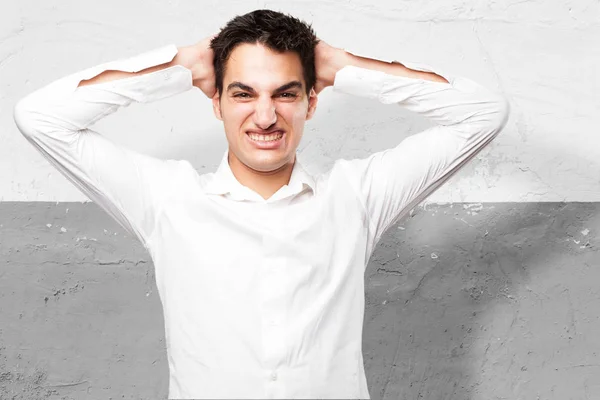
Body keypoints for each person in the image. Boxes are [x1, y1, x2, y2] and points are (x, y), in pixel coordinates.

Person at [13, 8, 509, 400]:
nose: (266, 115)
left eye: (286, 94)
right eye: (244, 93)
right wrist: (183, 66)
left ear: (312, 102)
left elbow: (483, 114)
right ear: (217, 103)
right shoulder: (166, 199)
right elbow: (39, 117)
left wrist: (340, 66)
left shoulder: (356, 196)